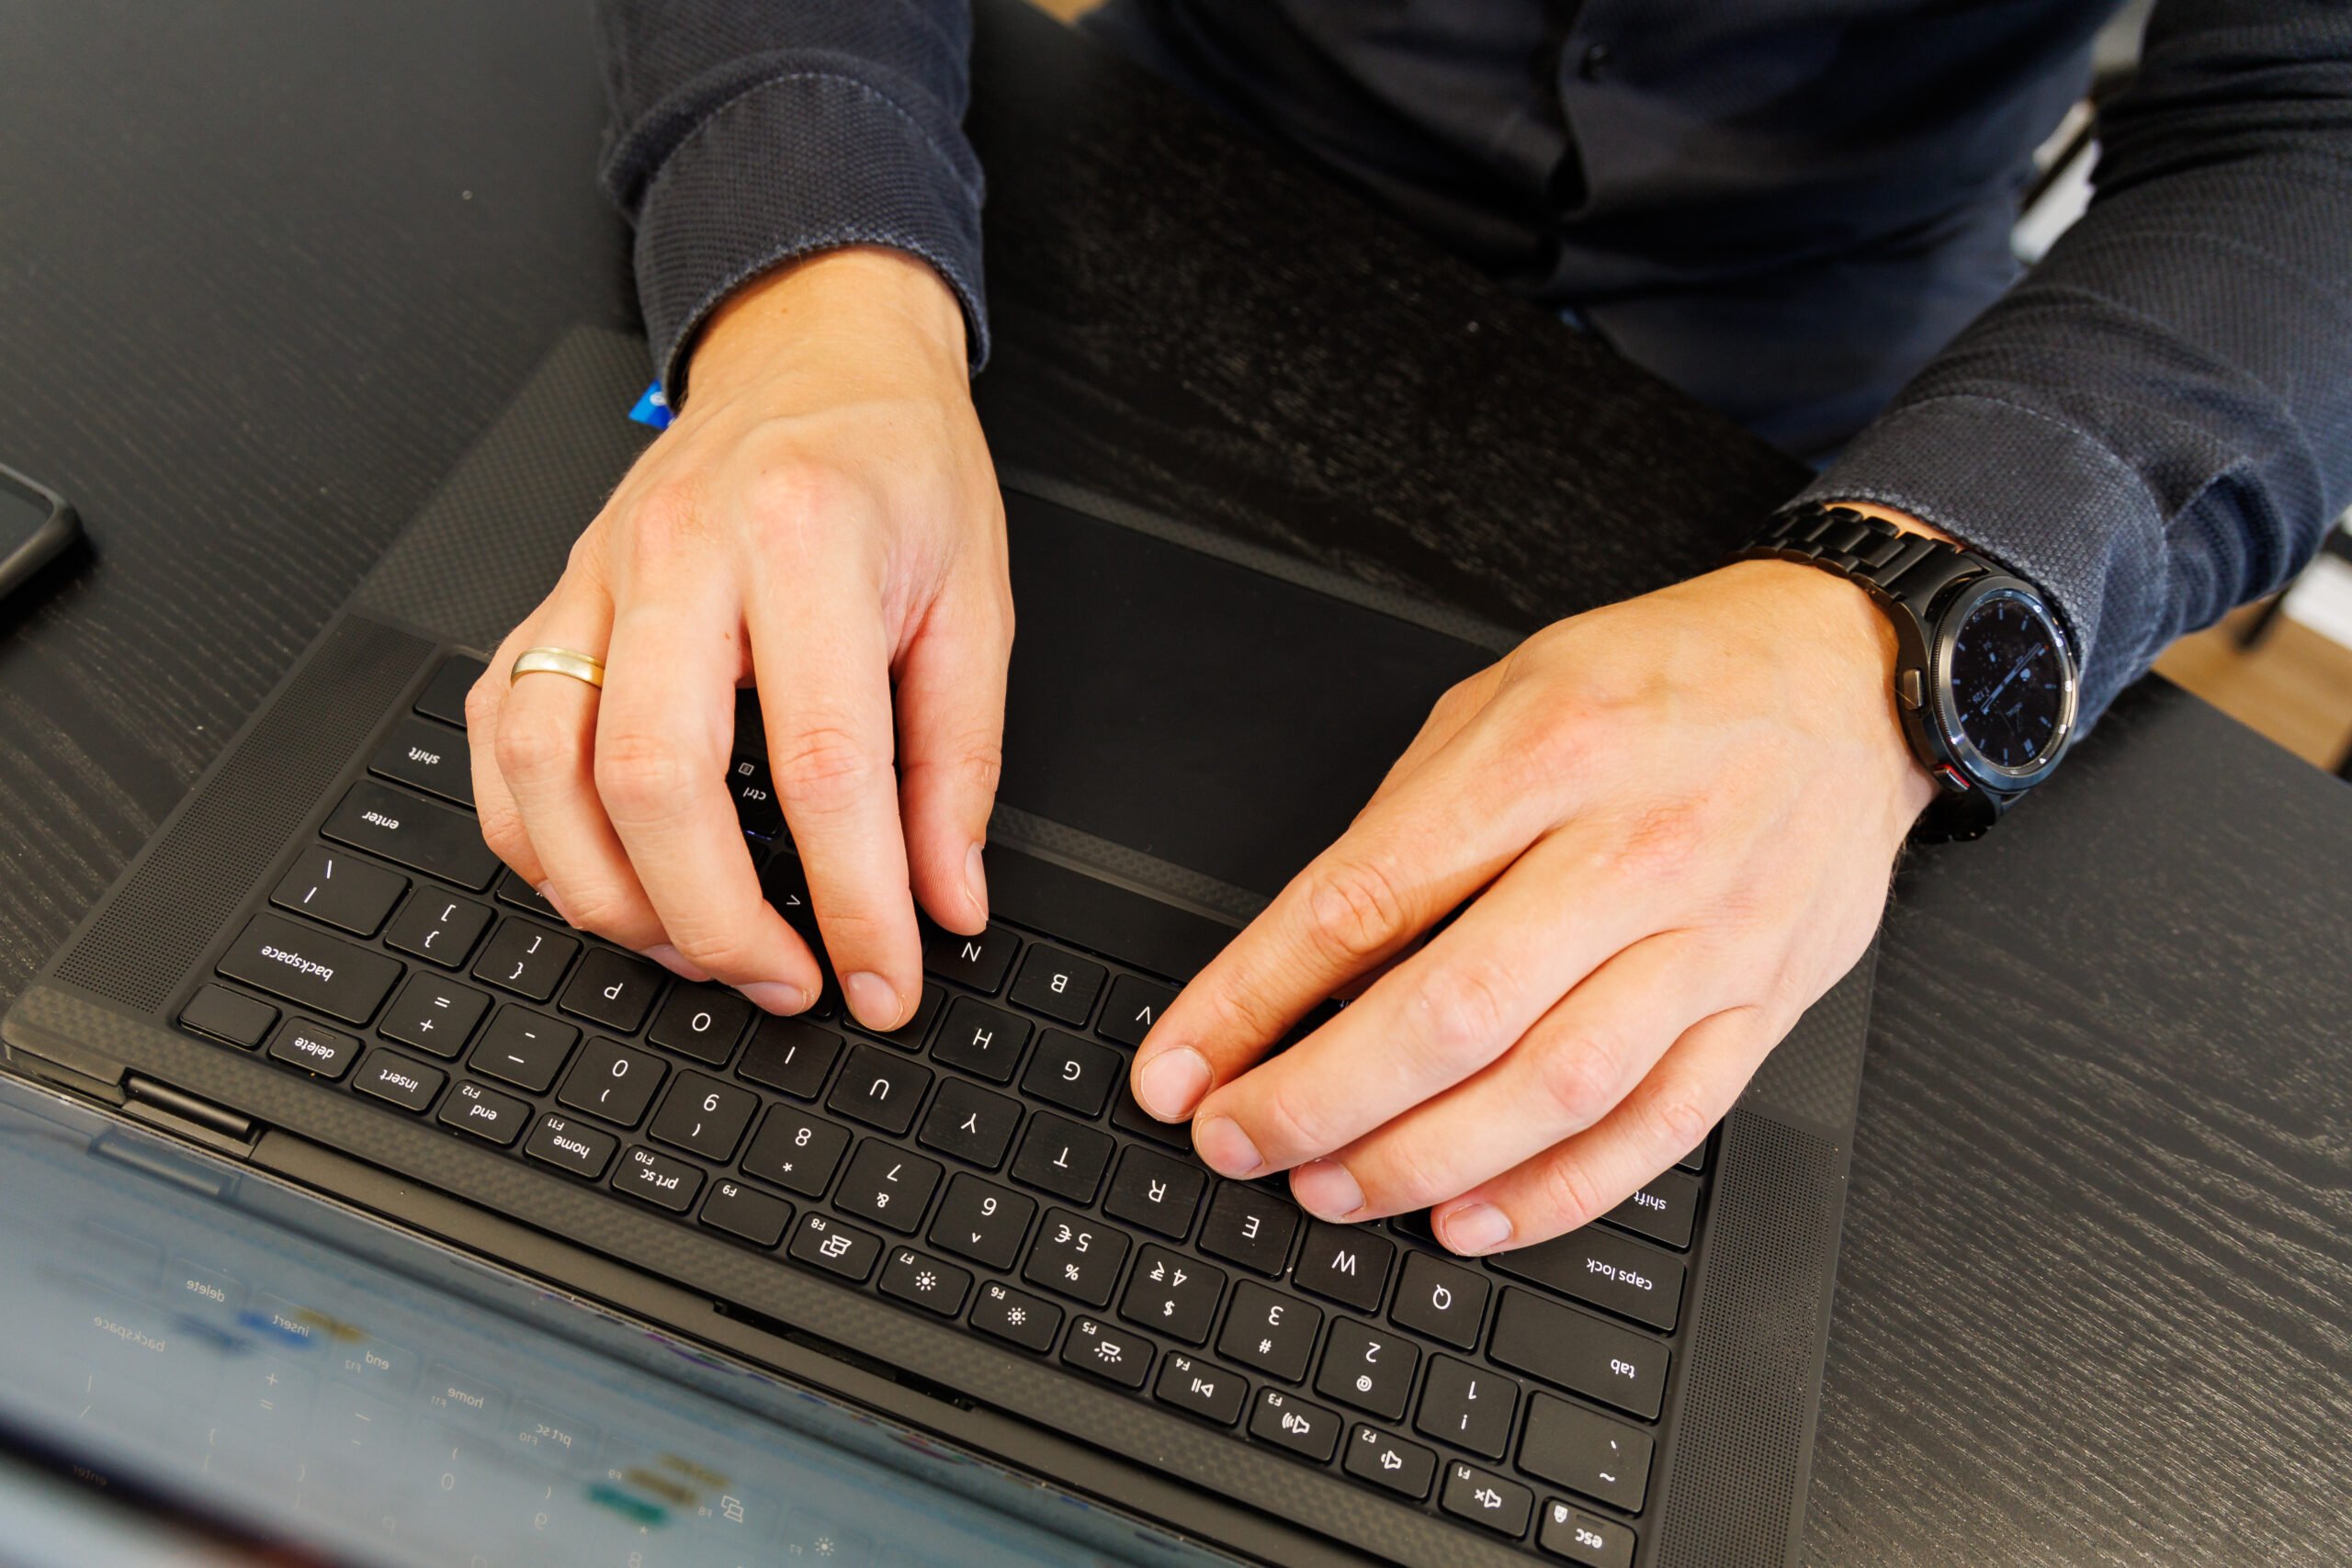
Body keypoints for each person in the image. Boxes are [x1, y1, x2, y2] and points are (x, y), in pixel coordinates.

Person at [464, 0, 2350, 1257]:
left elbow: (2316, 114)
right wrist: (809, 311)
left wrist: (1907, 613)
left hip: (1851, 394)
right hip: (1142, 209)